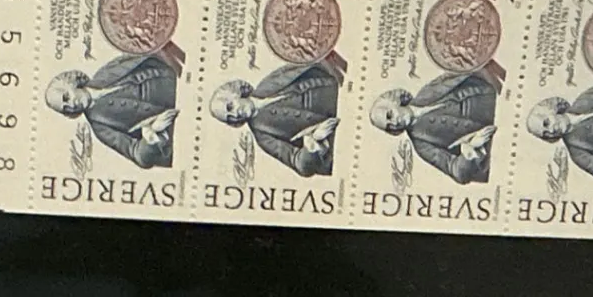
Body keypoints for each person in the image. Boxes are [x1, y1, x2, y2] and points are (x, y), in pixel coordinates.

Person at [44, 52, 179, 169]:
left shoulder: (104, 72)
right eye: (66, 108)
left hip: (178, 78)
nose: (72, 105)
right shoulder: (100, 127)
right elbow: (138, 155)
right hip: (179, 120)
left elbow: (145, 54)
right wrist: (151, 134)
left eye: (66, 97)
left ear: (72, 83)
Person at [208, 60, 341, 176]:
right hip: (339, 132)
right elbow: (300, 165)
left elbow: (307, 64)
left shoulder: (266, 83)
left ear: (236, 93)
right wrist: (313, 142)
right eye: (230, 118)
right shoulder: (262, 136)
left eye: (230, 106)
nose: (235, 115)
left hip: (340, 89)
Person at [369, 70, 497, 183]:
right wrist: (470, 148)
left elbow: (464, 72)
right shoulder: (421, 145)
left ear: (395, 101)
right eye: (389, 127)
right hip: (495, 140)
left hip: (494, 96)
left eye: (390, 115)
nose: (395, 123)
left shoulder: (426, 91)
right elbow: (457, 172)